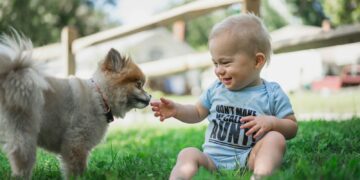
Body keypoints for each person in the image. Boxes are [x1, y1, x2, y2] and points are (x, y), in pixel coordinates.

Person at [150, 13, 298, 180]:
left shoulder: (272, 93)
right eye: (215, 63)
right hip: (211, 161)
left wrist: (272, 122)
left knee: (275, 138)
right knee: (188, 153)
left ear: (257, 61)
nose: (219, 70)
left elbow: (292, 127)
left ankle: (260, 176)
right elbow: (197, 112)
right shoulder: (216, 89)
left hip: (249, 158)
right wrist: (177, 110)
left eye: (226, 62)